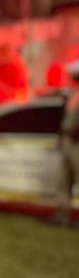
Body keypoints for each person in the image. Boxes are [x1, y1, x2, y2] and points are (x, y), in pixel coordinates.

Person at [52, 60, 79, 227]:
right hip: (68, 141)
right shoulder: (73, 94)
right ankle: (62, 214)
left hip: (77, 142)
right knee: (64, 180)